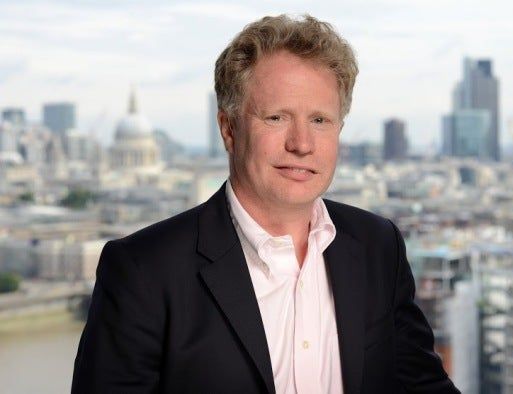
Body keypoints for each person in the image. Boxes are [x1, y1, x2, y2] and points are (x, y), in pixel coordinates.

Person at [71, 14, 460, 394]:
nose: (302, 144)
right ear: (228, 129)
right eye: (277, 117)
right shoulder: (144, 270)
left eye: (321, 120)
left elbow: (422, 385)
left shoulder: (378, 245)